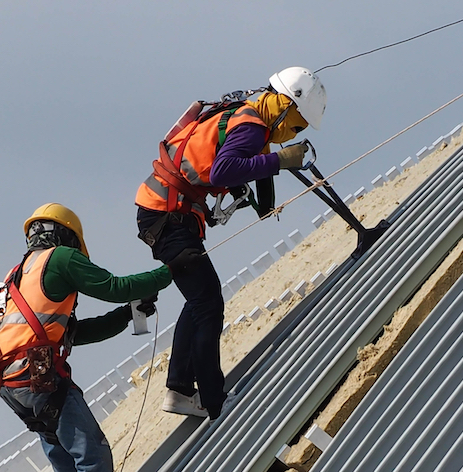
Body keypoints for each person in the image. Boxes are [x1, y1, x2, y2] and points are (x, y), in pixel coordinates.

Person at [133, 67, 327, 420]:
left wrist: (266, 202)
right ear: (286, 106)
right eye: (297, 126)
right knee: (208, 304)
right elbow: (224, 170)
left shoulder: (246, 115)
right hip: (170, 215)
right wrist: (281, 160)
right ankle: (214, 400)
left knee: (200, 299)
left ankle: (179, 389)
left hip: (161, 211)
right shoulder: (252, 126)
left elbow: (242, 164)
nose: (293, 133)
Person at [0, 203, 171, 472]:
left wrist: (125, 315)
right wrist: (169, 271)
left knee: (66, 456)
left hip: (13, 386)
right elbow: (114, 286)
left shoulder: (16, 277)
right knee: (93, 454)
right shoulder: (61, 259)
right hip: (38, 378)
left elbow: (74, 333)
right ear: (66, 236)